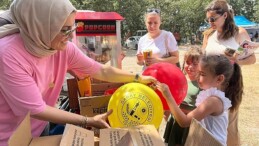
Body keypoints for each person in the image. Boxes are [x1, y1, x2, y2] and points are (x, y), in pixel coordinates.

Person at [0, 0, 157, 145]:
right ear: (39, 26)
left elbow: (101, 71)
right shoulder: (8, 54)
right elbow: (35, 109)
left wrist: (138, 77)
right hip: (8, 136)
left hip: (38, 127)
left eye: (73, 28)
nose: (71, 36)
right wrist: (87, 120)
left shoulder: (62, 48)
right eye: (65, 30)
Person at [157, 54, 243, 146]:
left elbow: (184, 122)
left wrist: (168, 96)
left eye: (202, 74)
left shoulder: (213, 101)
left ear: (219, 79)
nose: (198, 77)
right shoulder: (212, 96)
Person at [201, 0, 256, 145]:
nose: (210, 22)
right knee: (210, 127)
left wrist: (236, 61)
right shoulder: (208, 34)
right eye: (208, 19)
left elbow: (252, 58)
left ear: (225, 15)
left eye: (213, 19)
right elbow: (203, 58)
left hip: (230, 86)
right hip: (209, 88)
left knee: (229, 127)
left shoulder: (240, 33)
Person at [163, 47, 202, 146]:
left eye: (195, 64)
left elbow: (201, 109)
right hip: (175, 121)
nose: (190, 67)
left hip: (189, 124)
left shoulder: (202, 83)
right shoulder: (180, 78)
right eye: (187, 62)